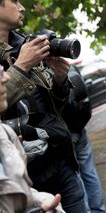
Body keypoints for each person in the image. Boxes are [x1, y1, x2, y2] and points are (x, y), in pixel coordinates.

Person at [0, 0, 87, 212]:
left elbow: (53, 107)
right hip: (23, 176)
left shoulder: (26, 45)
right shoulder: (26, 55)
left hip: (59, 160)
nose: (22, 7)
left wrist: (60, 81)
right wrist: (21, 67)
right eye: (15, 1)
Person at [0, 65, 64, 212]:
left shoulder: (6, 133)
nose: (7, 77)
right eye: (0, 72)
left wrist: (42, 201)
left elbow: (21, 193)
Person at [61, 65, 106, 213]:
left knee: (76, 179)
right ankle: (99, 210)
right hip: (80, 129)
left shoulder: (40, 71)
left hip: (64, 134)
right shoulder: (67, 64)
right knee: (89, 172)